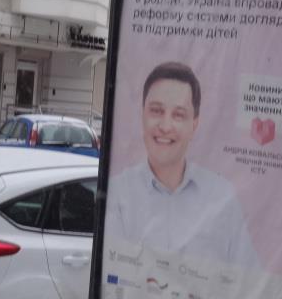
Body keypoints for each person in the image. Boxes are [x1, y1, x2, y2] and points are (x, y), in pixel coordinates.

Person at [105, 61, 258, 267]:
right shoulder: (118, 193)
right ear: (142, 115)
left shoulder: (222, 197)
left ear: (194, 125)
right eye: (156, 111)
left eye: (178, 115)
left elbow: (248, 278)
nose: (165, 126)